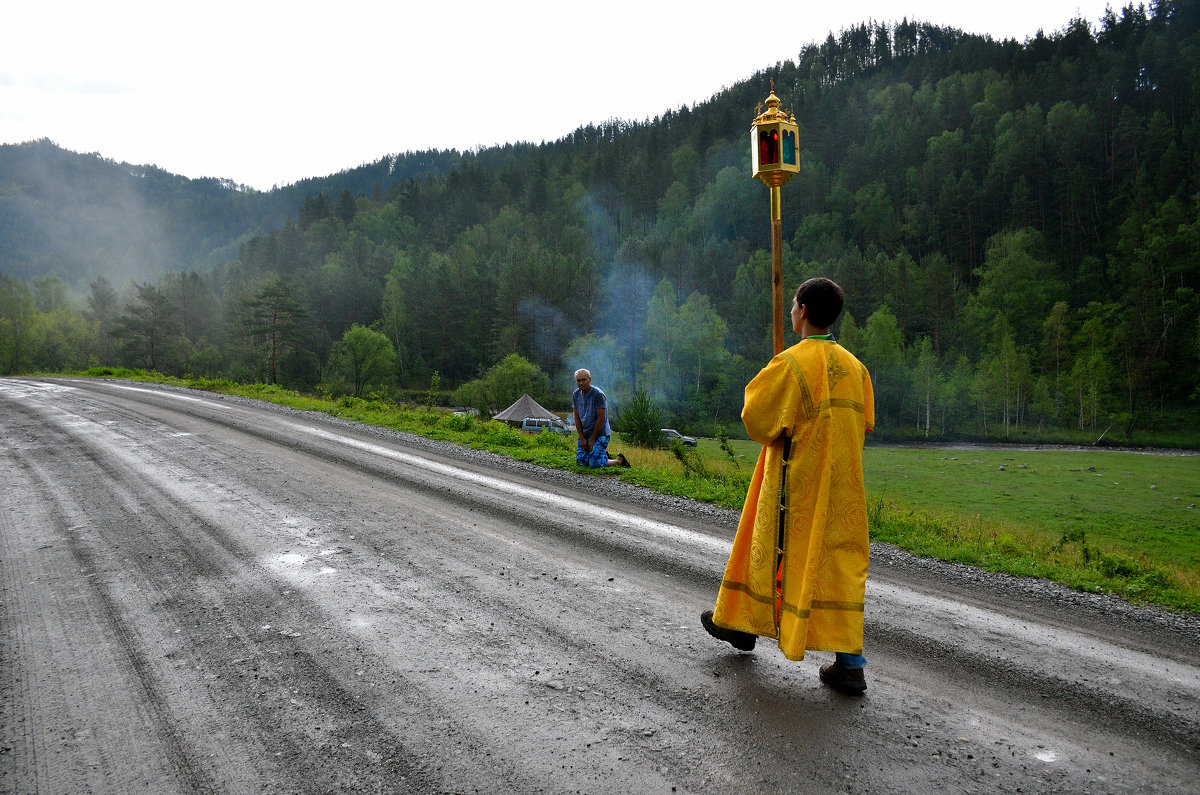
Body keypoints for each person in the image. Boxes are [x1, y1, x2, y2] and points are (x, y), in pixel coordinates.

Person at [701, 278, 874, 695]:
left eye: (793, 304)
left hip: (796, 483)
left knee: (770, 551)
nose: (791, 310)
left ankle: (742, 627)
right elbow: (864, 422)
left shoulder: (791, 363)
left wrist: (774, 376)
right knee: (841, 567)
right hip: (844, 487)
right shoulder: (856, 367)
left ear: (801, 311)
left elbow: (757, 419)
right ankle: (849, 664)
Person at [572, 369, 630, 468]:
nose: (581, 383)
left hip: (600, 433)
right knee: (581, 461)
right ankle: (602, 455)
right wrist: (582, 438)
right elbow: (577, 417)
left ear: (589, 379)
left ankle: (619, 461)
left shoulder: (598, 395)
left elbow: (601, 419)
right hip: (586, 433)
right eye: (578, 380)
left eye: (583, 380)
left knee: (594, 464)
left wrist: (593, 439)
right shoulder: (576, 394)